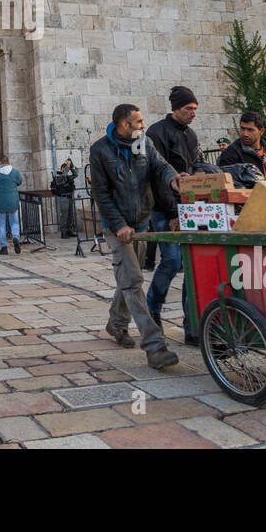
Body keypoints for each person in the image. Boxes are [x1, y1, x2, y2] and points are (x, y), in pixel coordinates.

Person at [90, 104, 184, 370]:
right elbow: (102, 194)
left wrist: (173, 179)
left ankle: (116, 324)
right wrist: (118, 225)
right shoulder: (100, 151)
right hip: (117, 227)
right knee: (132, 279)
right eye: (139, 122)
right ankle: (155, 346)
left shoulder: (145, 143)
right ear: (124, 125)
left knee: (128, 278)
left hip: (141, 222)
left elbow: (160, 165)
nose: (143, 126)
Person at [146, 86, 203, 345]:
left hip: (189, 206)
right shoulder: (157, 133)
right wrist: (172, 211)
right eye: (187, 109)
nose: (192, 114)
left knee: (190, 266)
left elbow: (195, 165)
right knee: (171, 261)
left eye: (194, 109)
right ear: (176, 108)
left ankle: (192, 326)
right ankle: (152, 309)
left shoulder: (190, 135)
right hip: (164, 207)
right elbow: (158, 174)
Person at [217, 111, 266, 179]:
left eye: (250, 130)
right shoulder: (230, 154)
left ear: (261, 131)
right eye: (242, 129)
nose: (245, 134)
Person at [0, 154, 24, 255]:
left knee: (1, 225)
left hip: (0, 203)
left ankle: (4, 247)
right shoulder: (15, 172)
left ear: (0, 163)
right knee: (15, 222)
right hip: (13, 202)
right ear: (8, 162)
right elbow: (20, 182)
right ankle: (15, 237)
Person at [50, 159, 78, 237]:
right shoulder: (59, 177)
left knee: (70, 215)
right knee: (64, 215)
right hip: (64, 198)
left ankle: (69, 230)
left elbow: (75, 175)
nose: (66, 169)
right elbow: (64, 175)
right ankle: (64, 232)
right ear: (62, 169)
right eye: (65, 168)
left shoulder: (68, 177)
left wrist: (71, 167)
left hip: (69, 197)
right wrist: (67, 167)